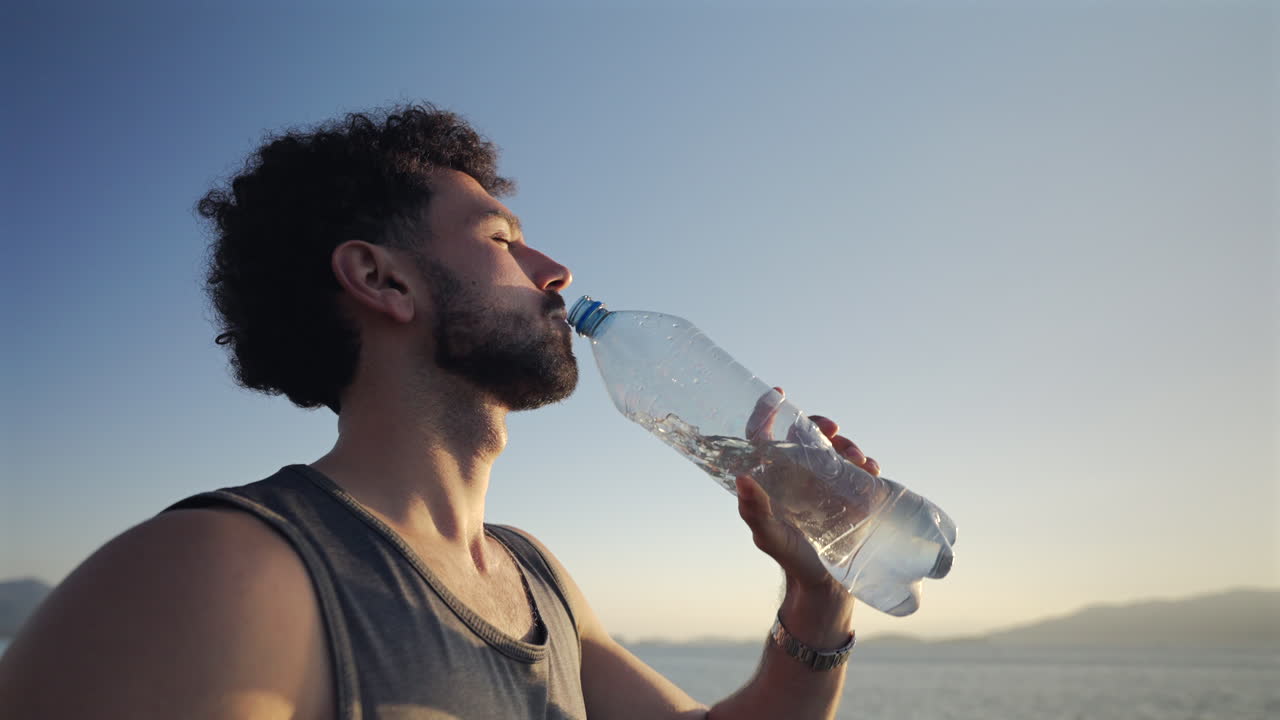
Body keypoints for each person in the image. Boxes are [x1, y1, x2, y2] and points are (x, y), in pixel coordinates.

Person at [0, 103, 882, 719]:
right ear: (382, 279)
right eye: (502, 238)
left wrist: (820, 595)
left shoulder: (538, 583)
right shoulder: (221, 574)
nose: (555, 270)